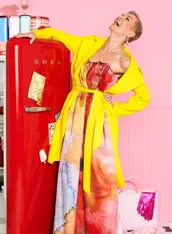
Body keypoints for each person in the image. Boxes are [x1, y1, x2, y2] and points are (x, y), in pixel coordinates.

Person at [15, 11, 150, 233]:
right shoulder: (88, 43)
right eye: (122, 15)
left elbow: (144, 97)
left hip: (99, 124)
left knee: (100, 177)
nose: (121, 17)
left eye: (128, 20)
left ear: (131, 33)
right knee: (70, 173)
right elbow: (59, 35)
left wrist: (113, 110)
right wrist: (34, 34)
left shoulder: (126, 61)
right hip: (74, 119)